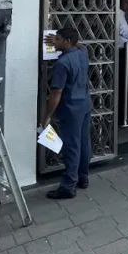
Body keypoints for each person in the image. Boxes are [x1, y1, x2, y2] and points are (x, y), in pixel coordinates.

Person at [43, 27, 92, 200]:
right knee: (84, 142)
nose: (54, 43)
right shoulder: (82, 53)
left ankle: (68, 186)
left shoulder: (62, 63)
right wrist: (72, 41)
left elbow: (57, 92)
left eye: (57, 39)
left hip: (71, 109)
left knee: (71, 146)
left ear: (67, 41)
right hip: (84, 104)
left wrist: (47, 115)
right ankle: (83, 177)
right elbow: (82, 45)